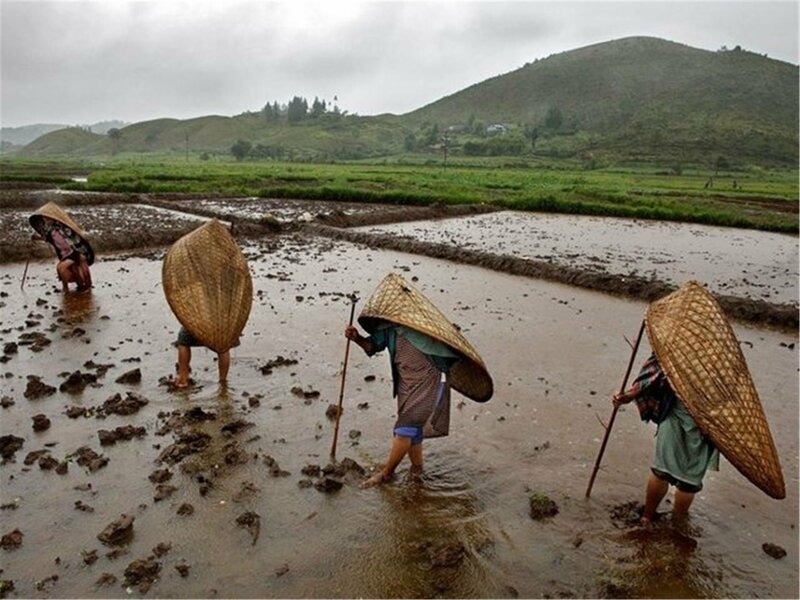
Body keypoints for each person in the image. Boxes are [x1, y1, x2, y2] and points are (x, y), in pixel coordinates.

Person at [345, 321, 460, 487]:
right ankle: (417, 471)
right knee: (413, 431)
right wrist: (356, 338)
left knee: (404, 430)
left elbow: (449, 350)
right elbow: (372, 346)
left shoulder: (425, 327)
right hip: (405, 384)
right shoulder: (390, 329)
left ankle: (386, 475)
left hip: (429, 382)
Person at [613, 353, 719, 524]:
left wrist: (631, 394)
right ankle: (676, 525)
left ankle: (647, 518)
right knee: (688, 481)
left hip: (682, 415)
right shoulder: (723, 361)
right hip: (705, 424)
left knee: (662, 471)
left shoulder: (676, 348)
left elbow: (653, 374)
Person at [32, 226, 92, 292]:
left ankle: (83, 287)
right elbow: (47, 238)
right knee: (69, 269)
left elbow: (75, 240)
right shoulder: (52, 232)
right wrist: (36, 238)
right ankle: (75, 287)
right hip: (66, 255)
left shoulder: (65, 229)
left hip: (75, 252)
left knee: (65, 268)